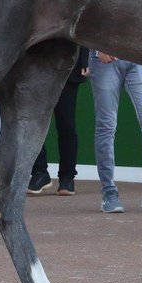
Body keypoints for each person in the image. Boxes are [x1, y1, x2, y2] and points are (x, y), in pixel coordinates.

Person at [88, 51, 142, 214]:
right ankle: (109, 192)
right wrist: (96, 48)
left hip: (138, 57)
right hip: (105, 59)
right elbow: (84, 23)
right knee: (106, 126)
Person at [28, 46, 90, 196]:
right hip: (38, 68)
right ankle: (39, 173)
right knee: (33, 125)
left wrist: (84, 59)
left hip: (67, 67)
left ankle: (67, 178)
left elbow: (80, 25)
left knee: (66, 124)